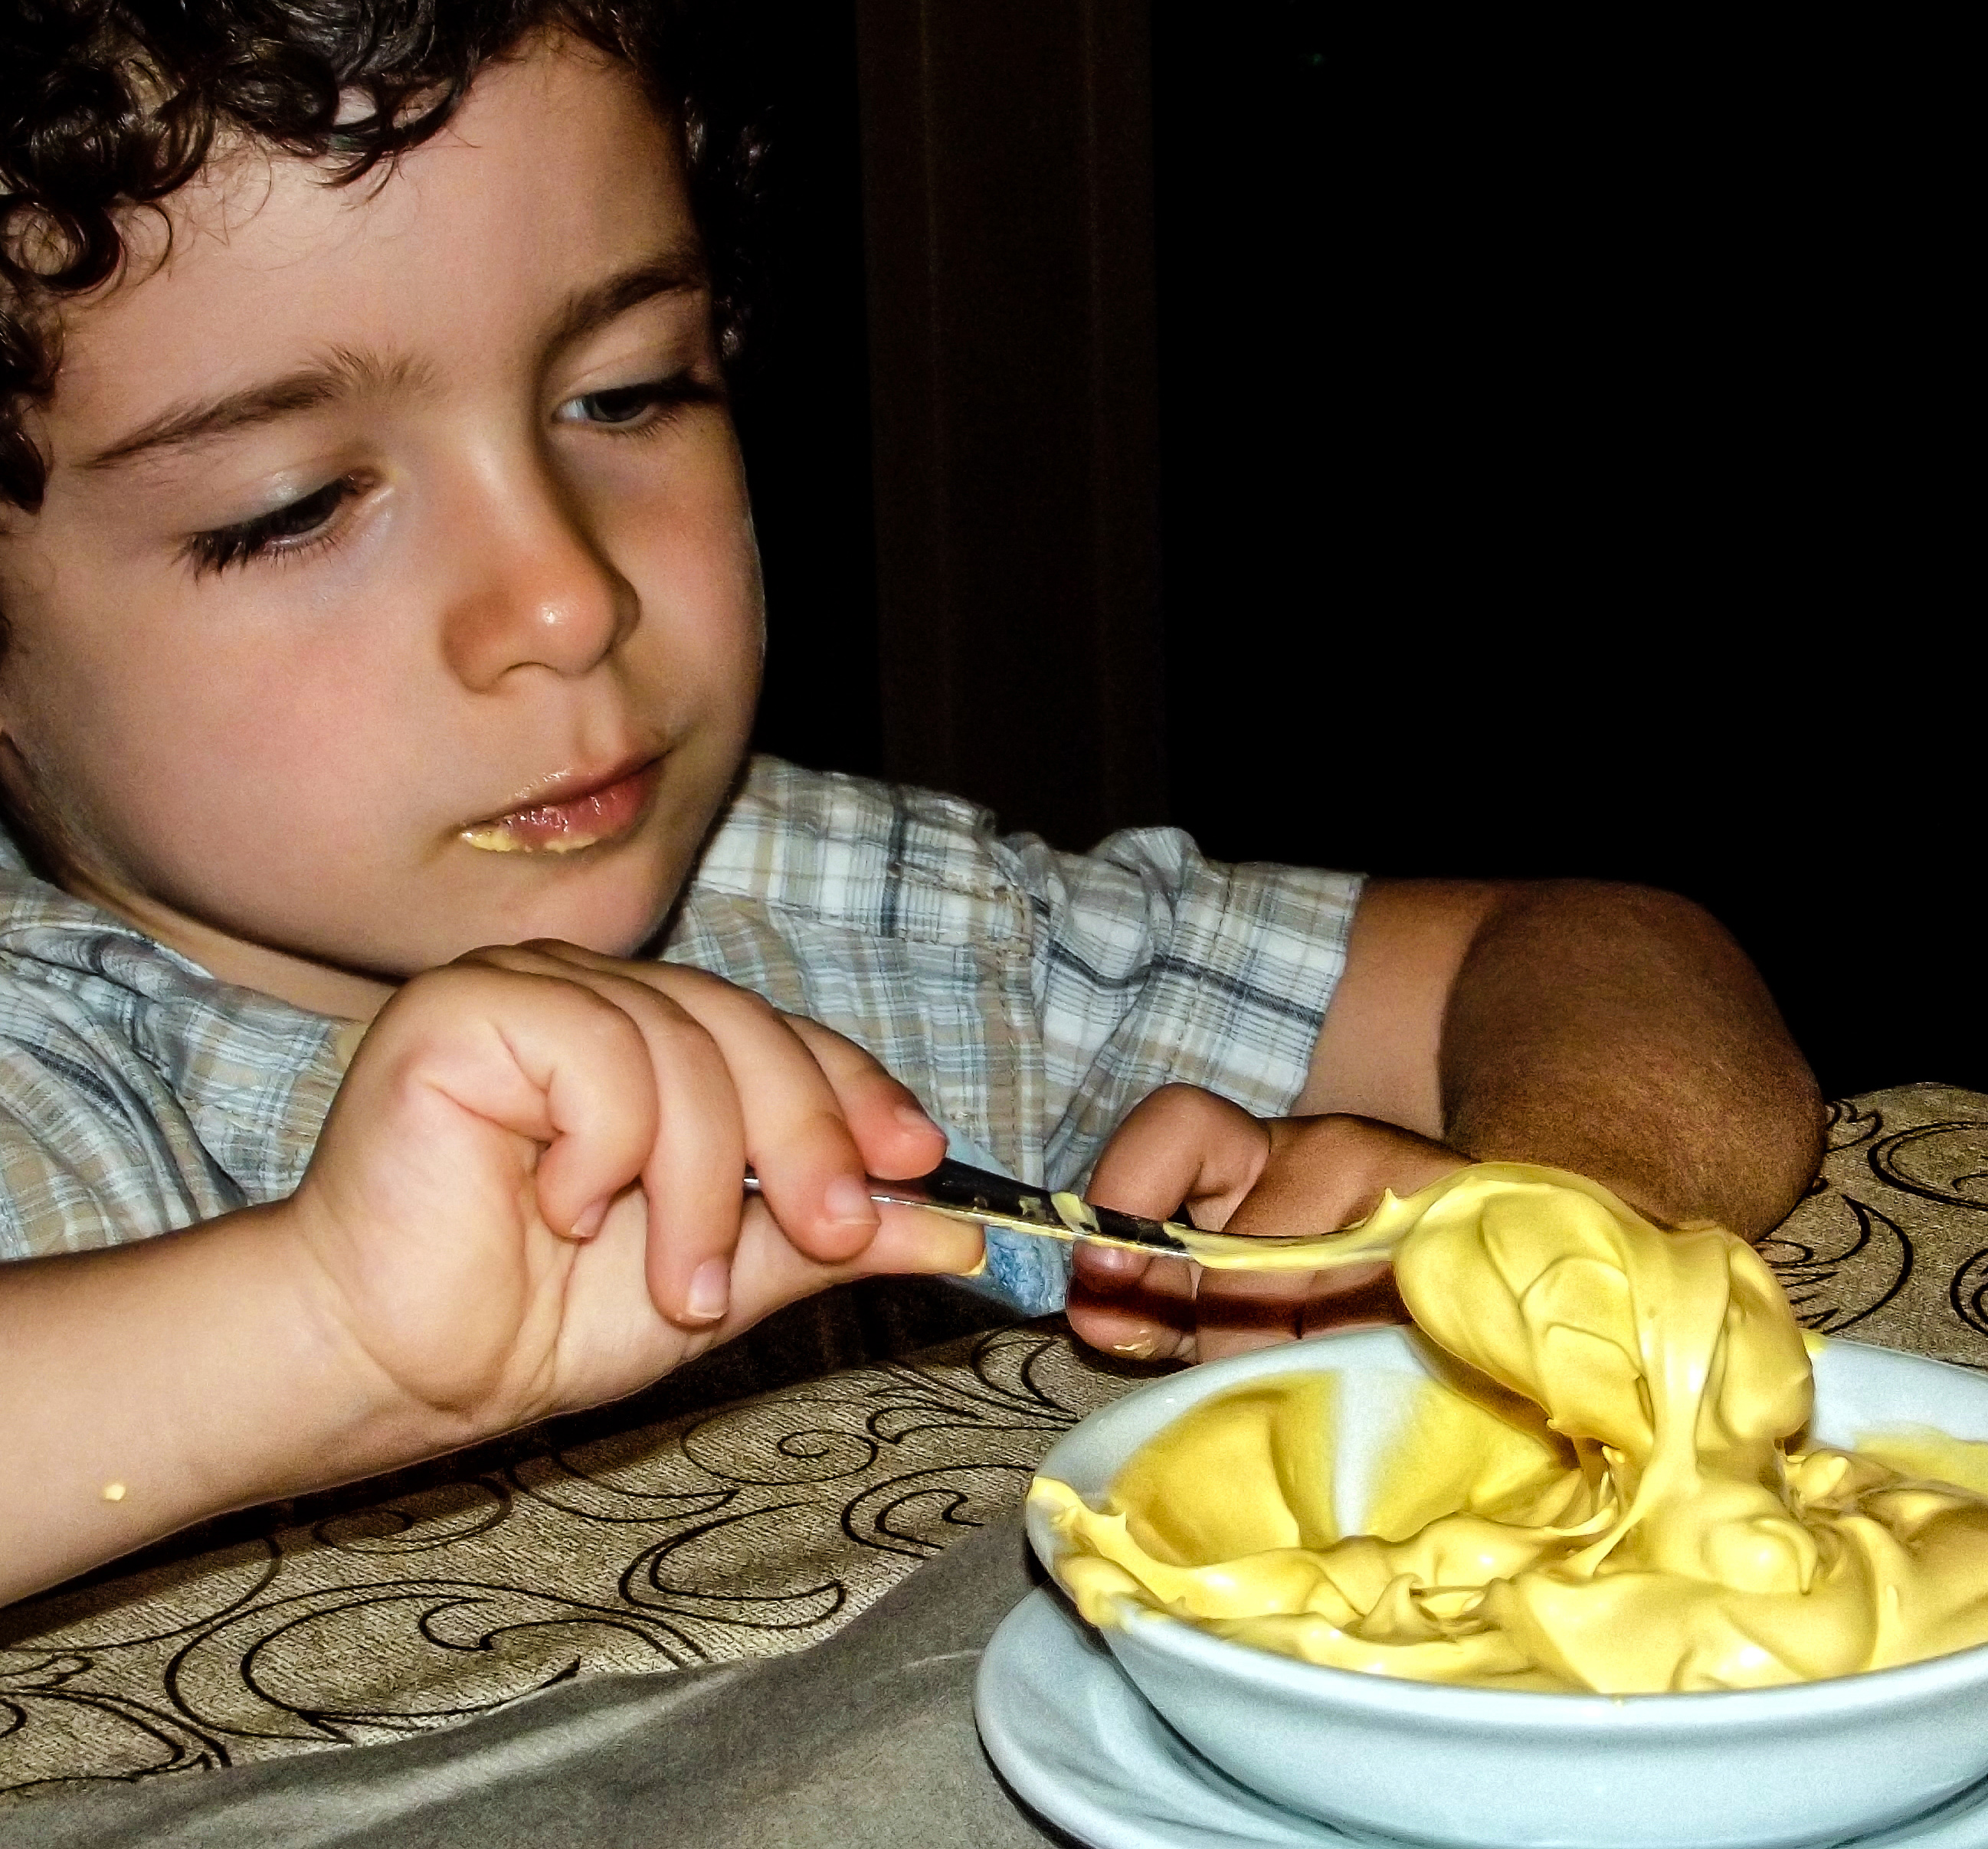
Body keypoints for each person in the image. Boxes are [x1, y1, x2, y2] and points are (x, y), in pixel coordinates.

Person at [0, 0, 1819, 1605]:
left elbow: (1614, 961)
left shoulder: (850, 912)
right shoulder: (42, 1088)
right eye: (296, 503)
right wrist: (327, 1322)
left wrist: (1514, 1233)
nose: (569, 596)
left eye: (630, 395)